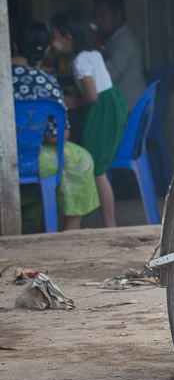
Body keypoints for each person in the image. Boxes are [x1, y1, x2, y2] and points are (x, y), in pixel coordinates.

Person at [12, 22, 100, 230]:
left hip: (4, 161)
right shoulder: (48, 83)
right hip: (35, 160)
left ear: (14, 46)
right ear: (46, 51)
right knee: (80, 159)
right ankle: (70, 233)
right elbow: (57, 136)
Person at [51, 11, 128, 229]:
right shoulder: (92, 54)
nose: (53, 42)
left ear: (68, 38)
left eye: (55, 36)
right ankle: (108, 224)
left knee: (97, 170)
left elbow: (92, 96)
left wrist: (74, 102)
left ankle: (110, 225)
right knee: (98, 168)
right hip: (111, 105)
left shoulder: (79, 61)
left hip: (101, 111)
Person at [93, 0, 146, 108]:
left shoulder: (125, 41)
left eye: (103, 15)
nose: (98, 21)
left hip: (130, 108)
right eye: (95, 15)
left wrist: (96, 46)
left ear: (118, 16)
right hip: (120, 106)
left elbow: (110, 76)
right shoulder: (112, 38)